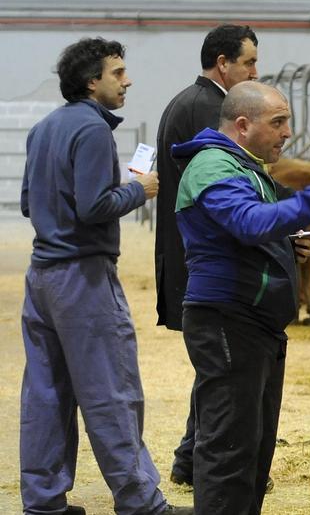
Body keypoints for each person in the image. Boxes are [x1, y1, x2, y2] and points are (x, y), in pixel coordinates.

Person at [20, 37, 192, 515]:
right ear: (91, 81)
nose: (127, 80)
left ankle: (43, 501)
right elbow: (95, 206)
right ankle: (140, 503)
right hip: (84, 278)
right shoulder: (92, 130)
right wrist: (139, 190)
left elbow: (29, 204)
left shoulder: (43, 128)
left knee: (46, 391)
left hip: (42, 277)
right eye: (117, 72)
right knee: (112, 390)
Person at [172, 81, 310, 514]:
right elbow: (247, 222)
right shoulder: (212, 166)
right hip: (228, 318)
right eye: (278, 122)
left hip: (254, 322)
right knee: (228, 448)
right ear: (242, 124)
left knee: (252, 446)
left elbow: (250, 232)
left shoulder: (245, 167)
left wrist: (285, 242)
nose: (287, 132)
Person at [154, 23, 259, 488]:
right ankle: (203, 462)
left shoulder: (186, 100)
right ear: (223, 64)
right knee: (220, 366)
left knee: (214, 367)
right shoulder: (211, 111)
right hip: (203, 263)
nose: (256, 71)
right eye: (249, 62)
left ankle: (189, 458)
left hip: (189, 255)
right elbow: (219, 197)